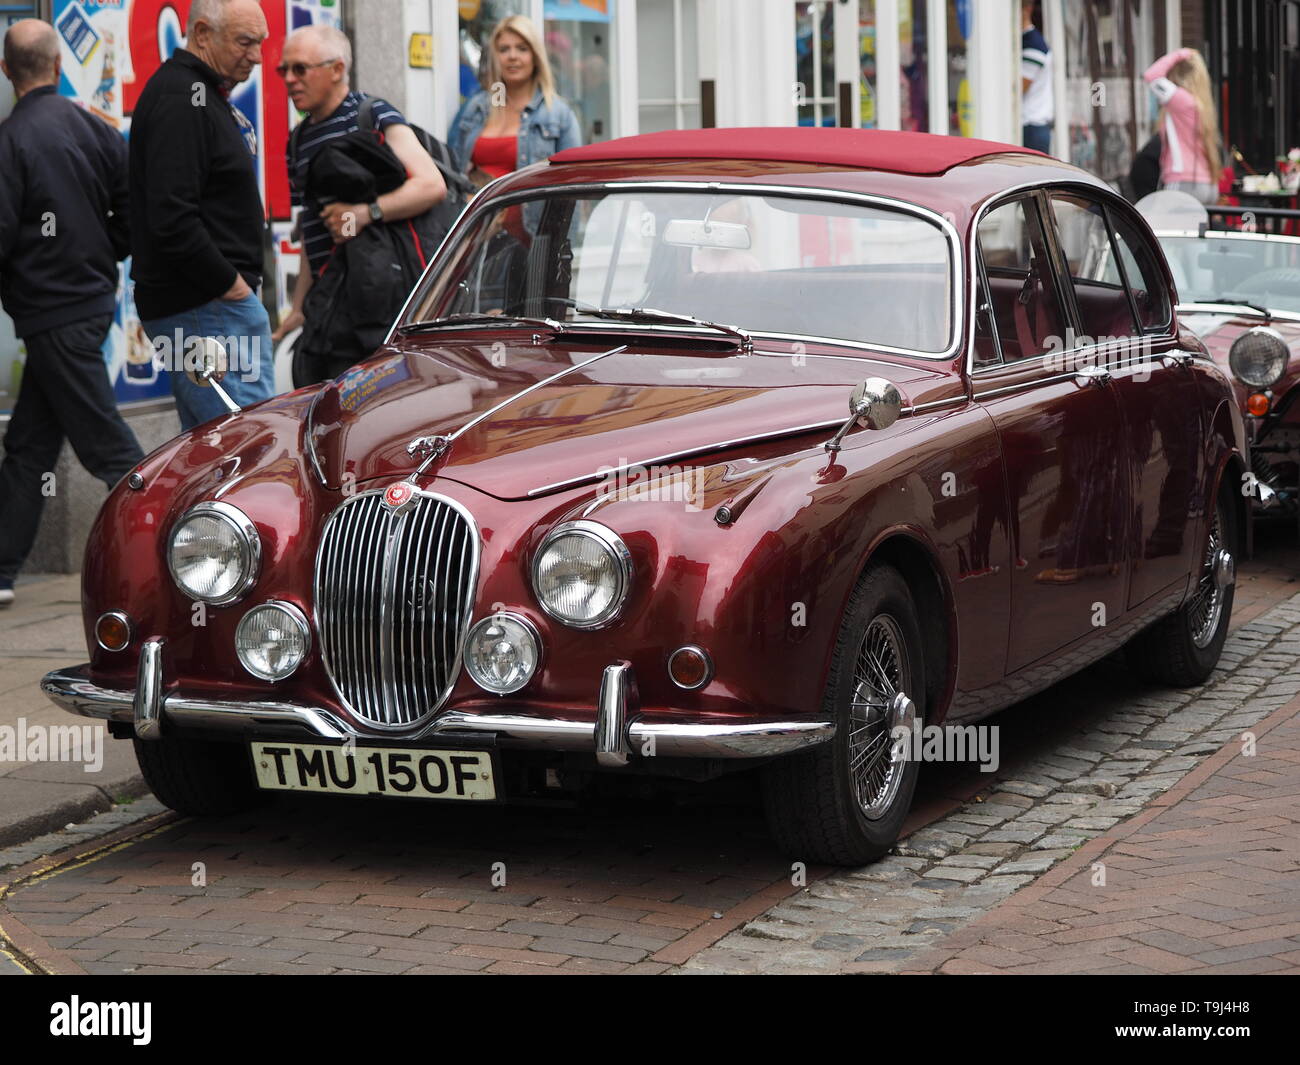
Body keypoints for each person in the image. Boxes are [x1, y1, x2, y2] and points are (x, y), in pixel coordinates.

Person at [0, 19, 144, 609]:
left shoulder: (11, 140)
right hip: (85, 303)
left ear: (8, 72)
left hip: (51, 310)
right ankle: (4, 569)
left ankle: (163, 546)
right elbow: (133, 208)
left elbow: (3, 232)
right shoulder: (95, 128)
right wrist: (105, 250)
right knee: (30, 446)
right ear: (58, 67)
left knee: (110, 451)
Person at [128, 0, 275, 431]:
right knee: (247, 452)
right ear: (203, 34)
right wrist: (233, 290)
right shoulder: (183, 97)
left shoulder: (194, 93)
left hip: (207, 308)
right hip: (207, 309)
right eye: (245, 42)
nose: (256, 56)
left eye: (260, 43)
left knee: (214, 454)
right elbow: (172, 218)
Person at [271, 24, 446, 352]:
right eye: (284, 70)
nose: (290, 79)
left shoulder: (372, 115)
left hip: (388, 299)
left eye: (300, 69)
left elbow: (431, 185)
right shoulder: (297, 141)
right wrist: (298, 308)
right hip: (334, 306)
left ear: (337, 69)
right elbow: (312, 230)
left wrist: (366, 213)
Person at [447, 14, 581, 186]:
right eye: (504, 49)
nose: (512, 56)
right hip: (479, 211)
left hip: (531, 213)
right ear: (496, 58)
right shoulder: (477, 107)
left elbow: (572, 186)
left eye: (522, 48)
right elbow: (451, 172)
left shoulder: (558, 114)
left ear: (535, 56)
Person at [1144, 47, 1222, 205]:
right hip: (1207, 184)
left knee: (1162, 228)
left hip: (1183, 183)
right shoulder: (1201, 105)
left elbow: (1151, 76)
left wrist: (1181, 53)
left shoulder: (1181, 100)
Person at [1020, 0, 1054, 154]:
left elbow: (1019, 88)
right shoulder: (1027, 41)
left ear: (1027, 9)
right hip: (1031, 126)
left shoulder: (1033, 45)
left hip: (1031, 127)